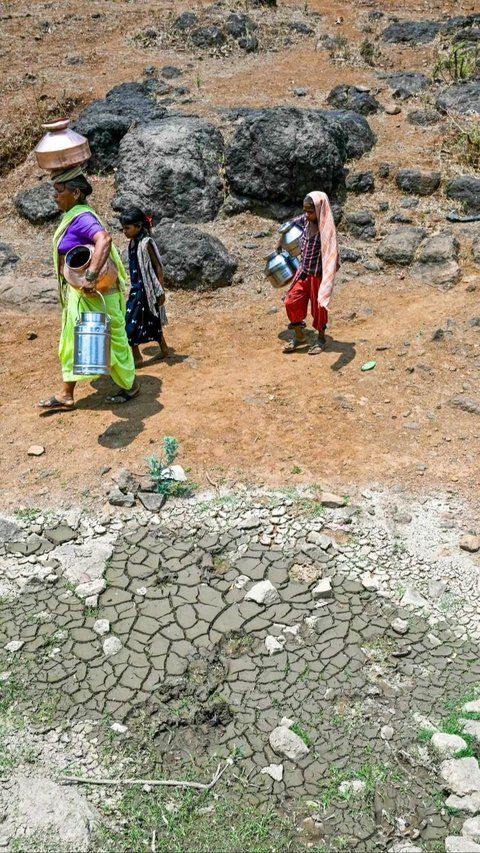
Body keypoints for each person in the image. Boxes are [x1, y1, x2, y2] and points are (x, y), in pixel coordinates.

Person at [38, 165, 139, 410]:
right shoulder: (74, 215)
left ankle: (131, 385)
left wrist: (91, 276)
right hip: (79, 293)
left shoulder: (83, 218)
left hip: (99, 293)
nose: (55, 196)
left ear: (75, 194)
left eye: (59, 190)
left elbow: (104, 239)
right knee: (71, 340)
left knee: (114, 342)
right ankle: (66, 394)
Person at [279, 191, 340, 355]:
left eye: (310, 211)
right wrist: (280, 241)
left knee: (319, 308)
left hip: (318, 276)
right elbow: (290, 225)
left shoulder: (326, 230)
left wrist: (329, 273)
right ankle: (299, 336)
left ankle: (321, 338)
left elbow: (333, 253)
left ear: (320, 210)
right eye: (305, 210)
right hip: (303, 272)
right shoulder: (305, 221)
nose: (306, 214)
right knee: (291, 301)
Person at [120, 207, 169, 368]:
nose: (124, 231)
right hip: (137, 289)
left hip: (146, 290)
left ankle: (137, 358)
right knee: (152, 320)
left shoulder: (146, 243)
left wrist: (160, 290)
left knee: (129, 324)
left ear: (139, 226)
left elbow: (158, 267)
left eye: (127, 228)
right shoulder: (133, 243)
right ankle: (164, 349)